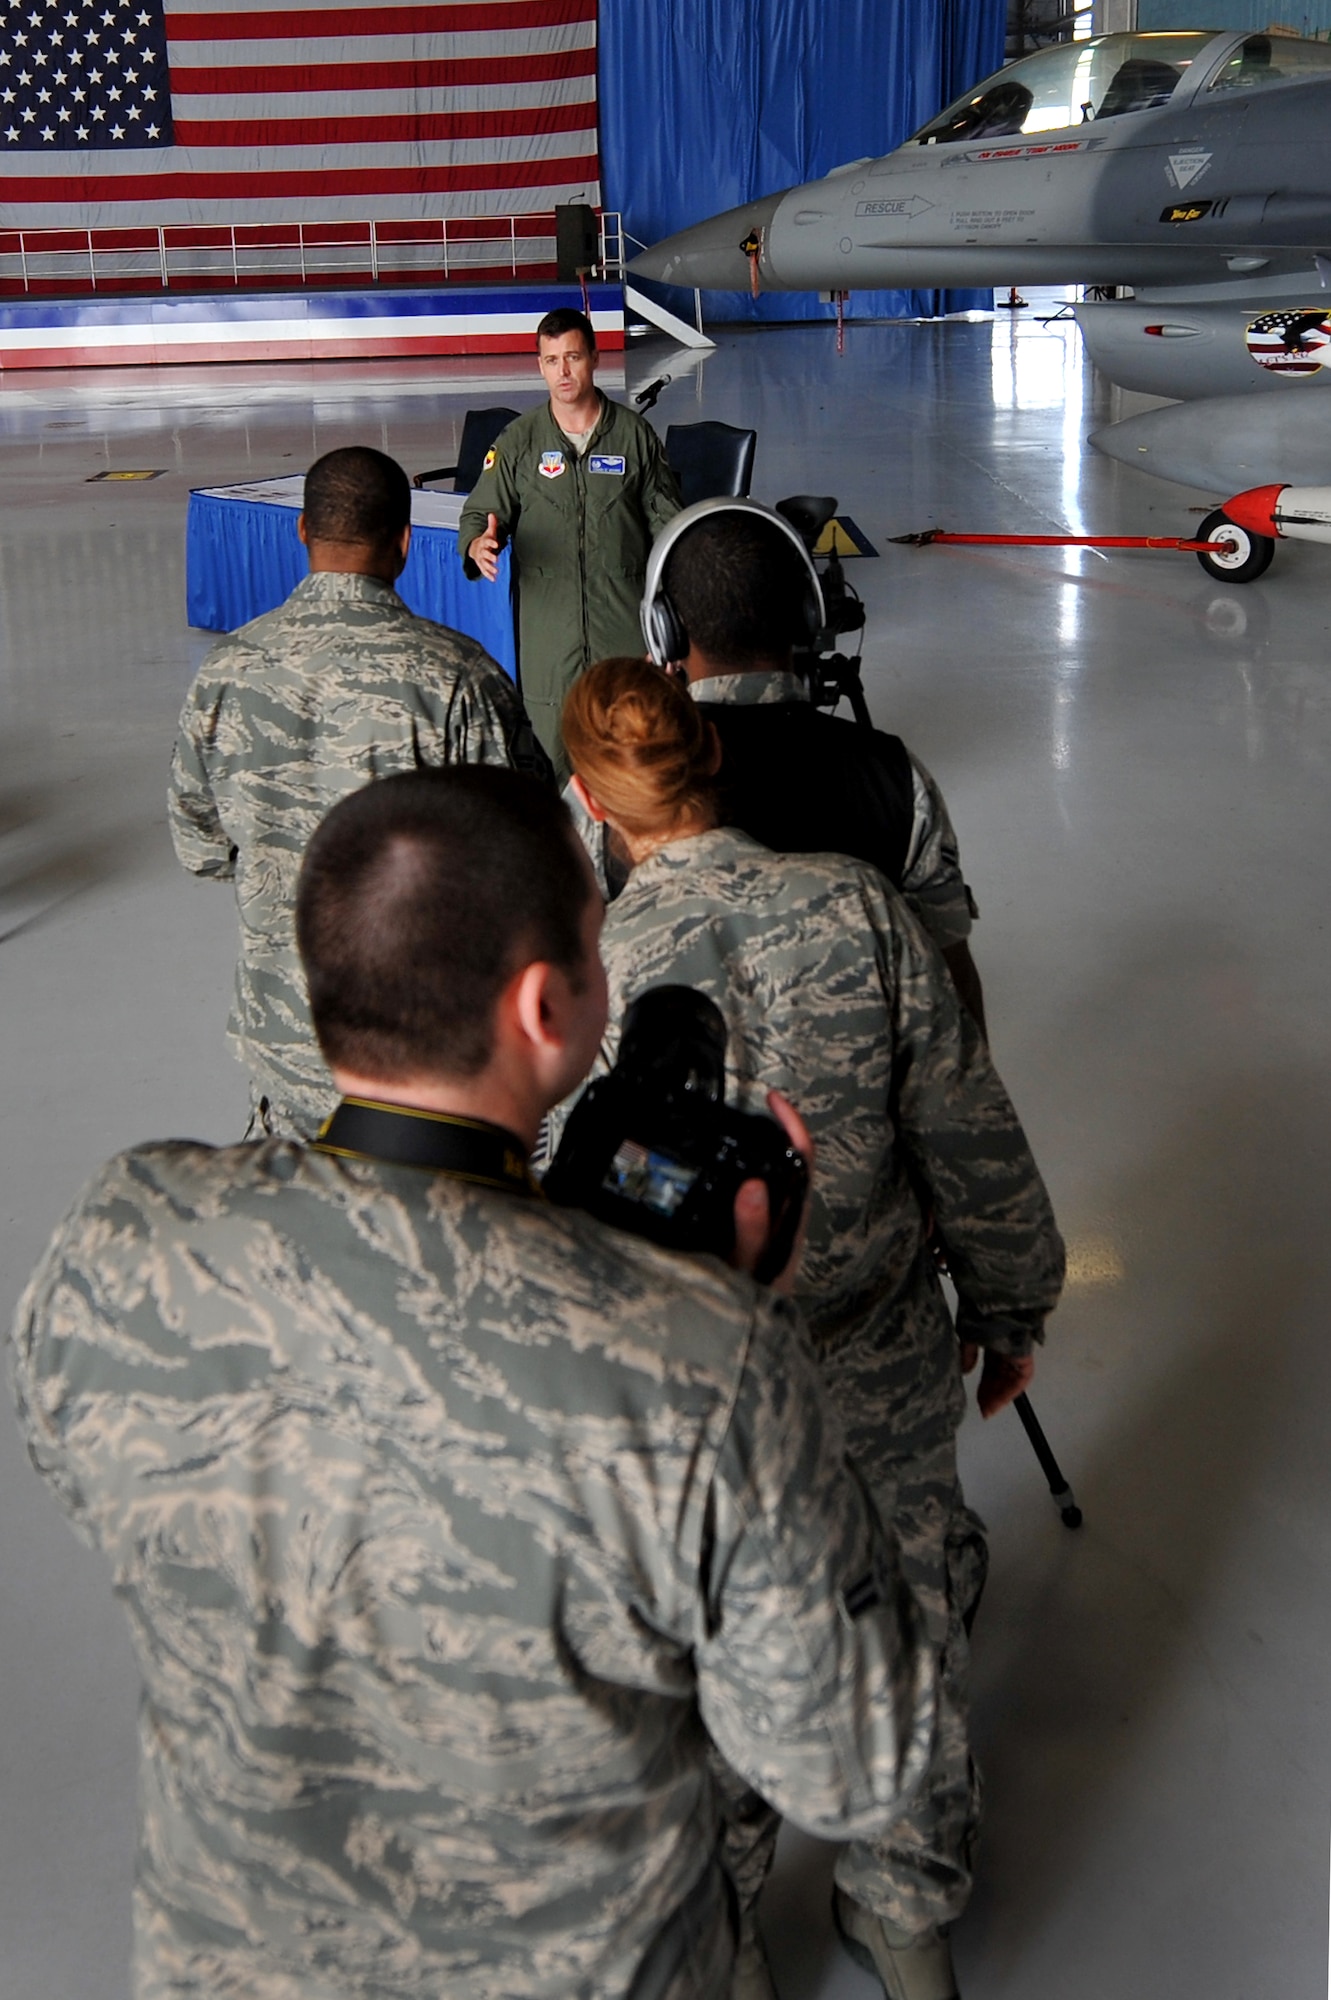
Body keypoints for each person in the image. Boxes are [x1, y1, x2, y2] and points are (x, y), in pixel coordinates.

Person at [10, 766, 941, 2000]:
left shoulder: (126, 1232)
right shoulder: (697, 1361)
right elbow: (854, 1766)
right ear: (546, 1008)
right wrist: (742, 1329)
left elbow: (98, 1463)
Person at [558, 659, 1066, 2000]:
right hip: (881, 1345)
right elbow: (964, 1125)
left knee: (699, 1638)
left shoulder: (593, 975)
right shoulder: (856, 906)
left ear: (589, 802)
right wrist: (1007, 1301)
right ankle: (902, 1904)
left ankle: (719, 1918)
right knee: (902, 1618)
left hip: (692, 1388)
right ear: (711, 761)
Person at [169, 444, 551, 1141]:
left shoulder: (226, 672)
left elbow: (198, 846)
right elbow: (530, 862)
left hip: (283, 1042)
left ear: (302, 532)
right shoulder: (458, 679)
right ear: (405, 543)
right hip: (423, 1061)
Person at [640, 498, 988, 1030]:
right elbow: (953, 984)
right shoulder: (896, 778)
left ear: (663, 630)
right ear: (810, 614)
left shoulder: (616, 789)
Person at [457, 307, 682, 781]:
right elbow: (480, 512)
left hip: (623, 632)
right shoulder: (519, 442)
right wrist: (477, 543)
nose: (563, 371)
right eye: (552, 359)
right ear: (539, 365)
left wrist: (671, 624)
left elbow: (670, 527)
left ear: (594, 358)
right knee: (552, 763)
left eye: (573, 357)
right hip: (548, 642)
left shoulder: (632, 436)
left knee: (633, 764)